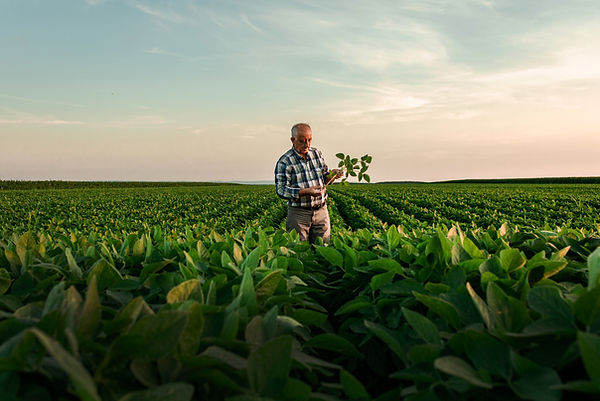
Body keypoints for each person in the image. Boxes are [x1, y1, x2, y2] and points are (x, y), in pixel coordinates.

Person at [275, 123, 342, 244]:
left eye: (309, 140)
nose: (307, 144)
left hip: (321, 211)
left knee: (323, 249)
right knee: (299, 251)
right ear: (292, 140)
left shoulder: (316, 153)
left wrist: (333, 175)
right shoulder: (285, 161)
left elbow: (325, 177)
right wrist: (305, 192)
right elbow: (281, 190)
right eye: (302, 141)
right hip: (298, 214)